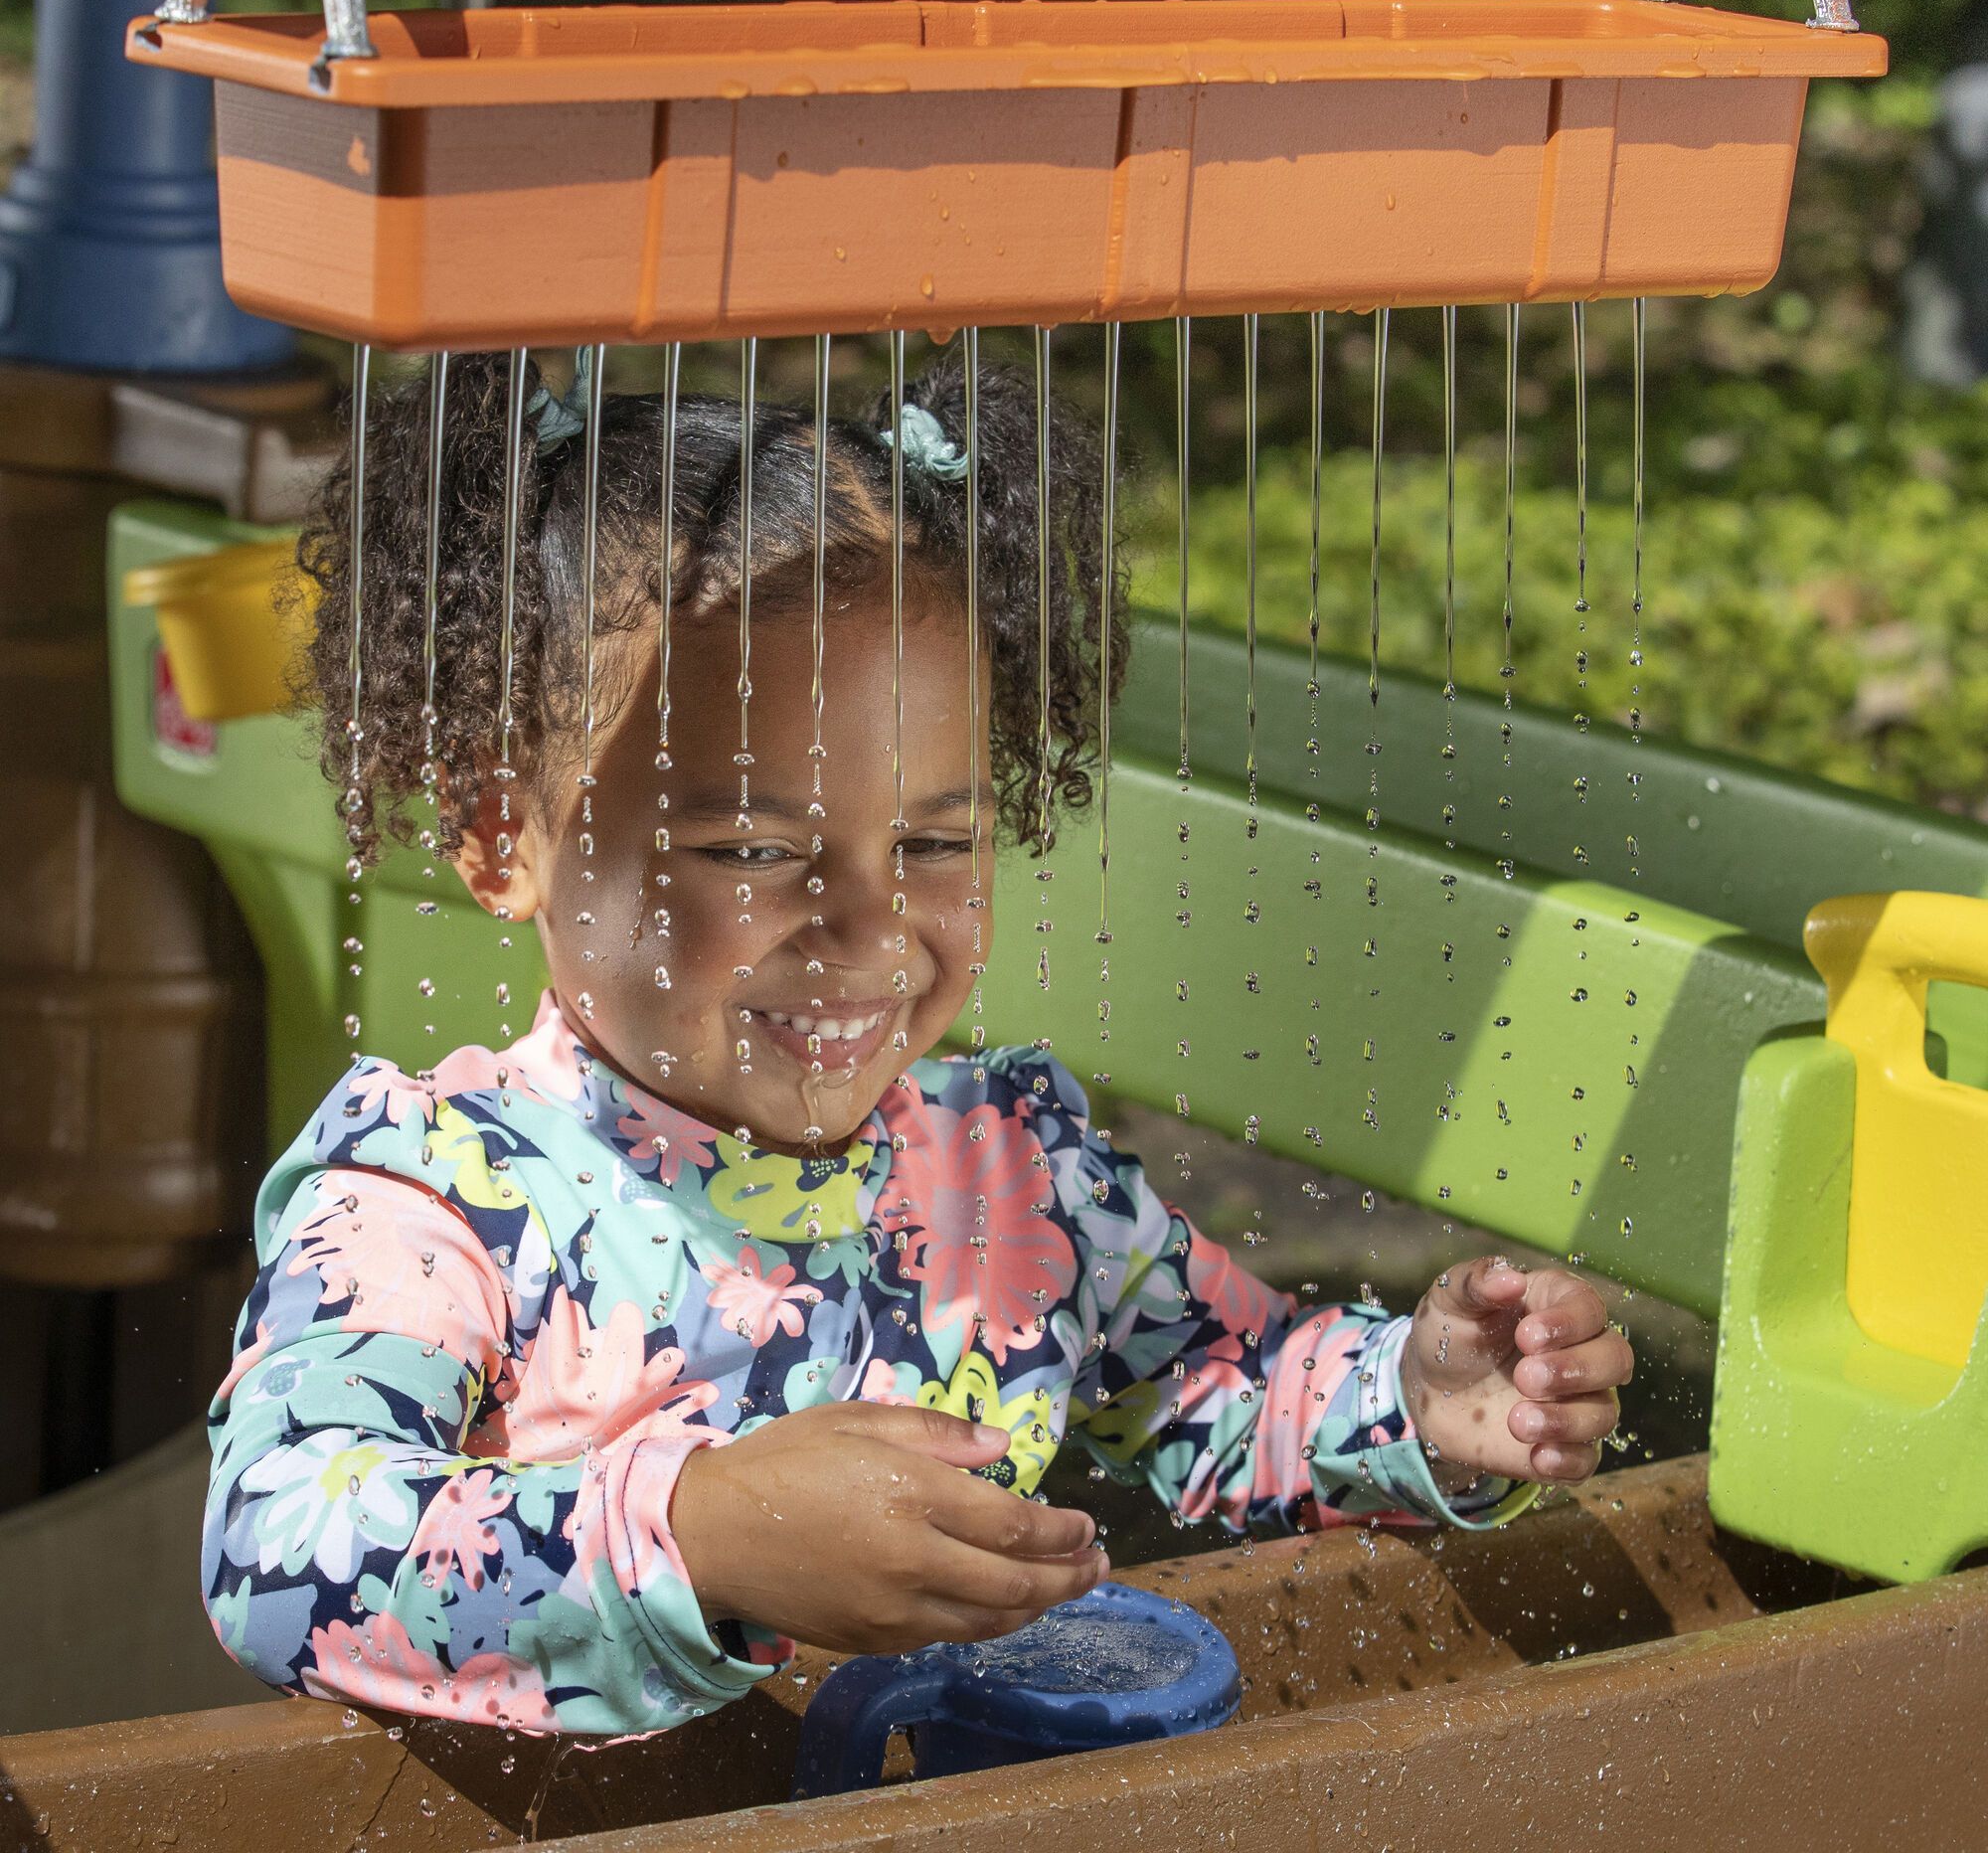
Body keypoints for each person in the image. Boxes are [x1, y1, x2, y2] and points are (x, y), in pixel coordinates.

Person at [201, 346, 1633, 1737]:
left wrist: (1414, 1404)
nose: (869, 930)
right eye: (754, 851)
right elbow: (279, 1545)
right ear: (499, 831)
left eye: (937, 843)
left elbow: (1224, 1387)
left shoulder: (1014, 1177)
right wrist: (707, 1534)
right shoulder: (442, 1204)